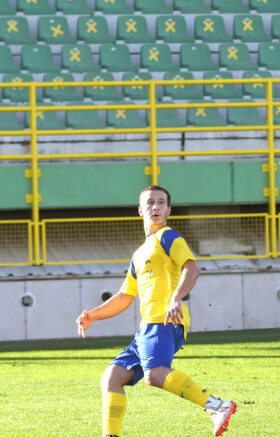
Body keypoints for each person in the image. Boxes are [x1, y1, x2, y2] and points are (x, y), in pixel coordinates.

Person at [75, 185, 236, 437]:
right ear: (140, 210)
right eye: (150, 202)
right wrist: (92, 315)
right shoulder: (138, 254)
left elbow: (192, 268)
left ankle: (217, 406)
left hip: (165, 321)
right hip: (146, 329)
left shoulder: (168, 237)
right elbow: (124, 297)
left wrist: (176, 297)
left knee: (155, 375)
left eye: (161, 202)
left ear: (169, 210)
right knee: (112, 378)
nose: (156, 207)